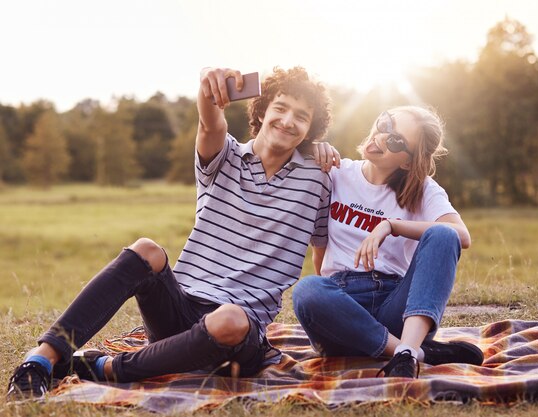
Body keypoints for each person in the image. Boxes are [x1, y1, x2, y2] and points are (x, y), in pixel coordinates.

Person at [7, 66, 334, 400]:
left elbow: (322, 252)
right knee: (147, 249)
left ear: (310, 129)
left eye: (302, 116)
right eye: (281, 108)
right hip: (179, 310)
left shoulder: (319, 179)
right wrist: (209, 81)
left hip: (239, 331)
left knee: (230, 319)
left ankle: (107, 367)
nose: (288, 120)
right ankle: (40, 361)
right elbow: (211, 121)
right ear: (263, 110)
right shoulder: (226, 155)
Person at [292, 106, 484, 378]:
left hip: (396, 307)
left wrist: (391, 226)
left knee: (443, 234)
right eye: (386, 123)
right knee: (308, 290)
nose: (382, 136)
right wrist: (312, 147)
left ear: (406, 162)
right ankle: (411, 352)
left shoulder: (422, 188)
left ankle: (404, 348)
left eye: (396, 140)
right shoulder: (336, 172)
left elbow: (460, 234)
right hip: (340, 310)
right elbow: (281, 151)